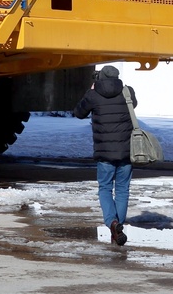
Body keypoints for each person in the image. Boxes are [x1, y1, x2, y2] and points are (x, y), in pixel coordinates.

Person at [74, 65, 137, 246]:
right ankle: (118, 228)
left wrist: (90, 91)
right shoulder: (128, 92)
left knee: (105, 188)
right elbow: (135, 104)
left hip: (104, 153)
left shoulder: (93, 95)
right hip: (126, 151)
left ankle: (113, 223)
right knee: (123, 189)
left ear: (100, 77)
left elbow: (78, 113)